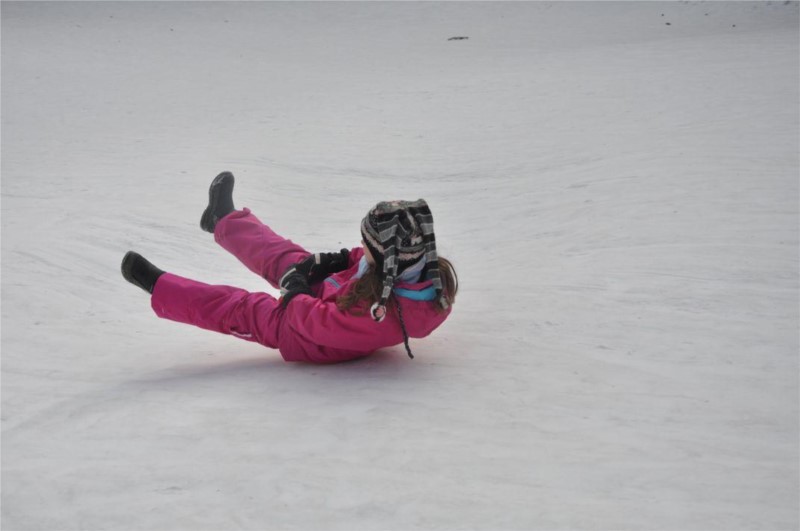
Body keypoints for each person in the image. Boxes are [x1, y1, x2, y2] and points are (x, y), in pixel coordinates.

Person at [121, 172, 457, 363]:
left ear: (388, 261)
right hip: (331, 296)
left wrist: (295, 293)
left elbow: (320, 324)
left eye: (367, 247)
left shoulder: (379, 316)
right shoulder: (411, 266)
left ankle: (161, 287)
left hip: (308, 335)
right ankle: (222, 219)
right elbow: (364, 259)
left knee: (242, 307)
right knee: (285, 256)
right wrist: (339, 260)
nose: (362, 250)